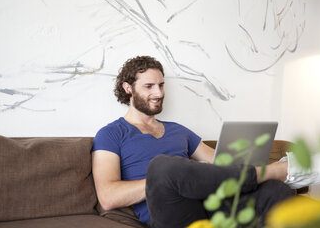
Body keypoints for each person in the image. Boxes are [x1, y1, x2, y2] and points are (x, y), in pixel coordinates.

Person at [91, 55, 294, 228]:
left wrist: (199, 174)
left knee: (276, 190)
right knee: (163, 167)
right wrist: (176, 179)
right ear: (128, 88)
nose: (159, 93)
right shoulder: (111, 134)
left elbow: (219, 163)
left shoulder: (178, 130)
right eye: (149, 86)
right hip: (173, 212)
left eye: (161, 85)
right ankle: (274, 169)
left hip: (213, 204)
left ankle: (272, 175)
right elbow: (108, 197)